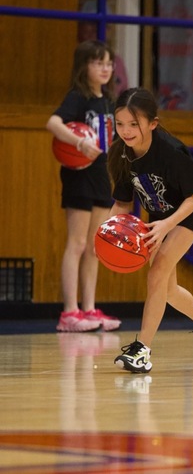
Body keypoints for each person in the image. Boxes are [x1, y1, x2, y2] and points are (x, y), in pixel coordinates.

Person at [107, 87, 193, 373]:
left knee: (158, 271)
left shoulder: (169, 151)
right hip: (160, 214)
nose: (126, 130)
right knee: (168, 289)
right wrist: (109, 232)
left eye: (134, 124)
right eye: (120, 123)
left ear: (152, 124)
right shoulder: (121, 151)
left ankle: (142, 350)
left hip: (189, 210)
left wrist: (167, 225)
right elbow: (123, 203)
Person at [46, 40, 122, 333]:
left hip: (102, 174)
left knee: (94, 246)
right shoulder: (77, 97)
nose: (105, 68)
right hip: (78, 175)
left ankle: (89, 309)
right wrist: (78, 142)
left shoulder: (109, 102)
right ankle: (69, 313)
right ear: (84, 66)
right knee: (76, 244)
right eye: (98, 63)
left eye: (108, 63)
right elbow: (52, 123)